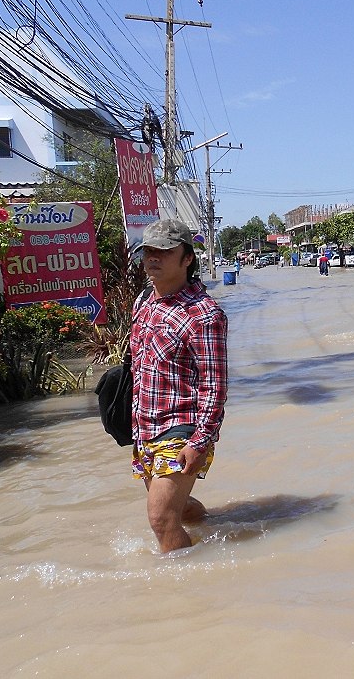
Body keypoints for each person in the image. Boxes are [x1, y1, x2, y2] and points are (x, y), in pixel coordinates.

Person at [131, 219, 228, 553]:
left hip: (182, 429)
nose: (153, 258)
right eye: (148, 251)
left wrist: (200, 442)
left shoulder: (204, 315)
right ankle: (218, 526)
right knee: (180, 510)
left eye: (164, 251)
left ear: (187, 258)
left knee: (161, 519)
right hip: (145, 427)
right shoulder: (143, 302)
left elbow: (215, 386)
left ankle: (187, 595)